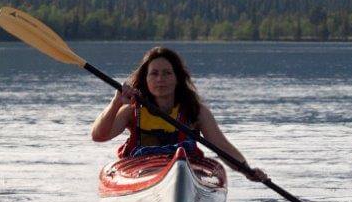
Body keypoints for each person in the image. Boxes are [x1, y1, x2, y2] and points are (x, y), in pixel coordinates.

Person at [90, 46, 268, 182]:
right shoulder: (131, 111)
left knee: (182, 164)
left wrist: (247, 171)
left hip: (186, 174)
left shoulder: (195, 111)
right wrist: (115, 104)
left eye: (167, 73)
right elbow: (99, 136)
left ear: (177, 78)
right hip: (142, 174)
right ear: (146, 79)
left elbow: (222, 146)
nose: (160, 79)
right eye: (154, 74)